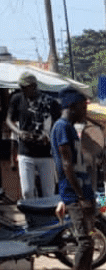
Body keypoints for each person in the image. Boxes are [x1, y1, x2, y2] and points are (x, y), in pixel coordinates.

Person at [50, 87, 106, 270]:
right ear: (72, 107)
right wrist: (78, 196)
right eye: (83, 108)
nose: (86, 112)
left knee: (91, 237)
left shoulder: (71, 128)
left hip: (84, 190)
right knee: (84, 241)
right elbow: (66, 165)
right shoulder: (62, 128)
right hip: (74, 194)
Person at [6, 71, 60, 201]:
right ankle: (32, 219)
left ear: (34, 86)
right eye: (22, 87)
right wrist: (19, 133)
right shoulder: (17, 99)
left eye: (26, 87)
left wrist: (48, 136)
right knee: (27, 191)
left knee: (48, 193)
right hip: (25, 152)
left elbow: (58, 125)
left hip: (46, 154)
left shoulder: (50, 102)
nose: (23, 90)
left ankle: (48, 219)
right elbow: (8, 120)